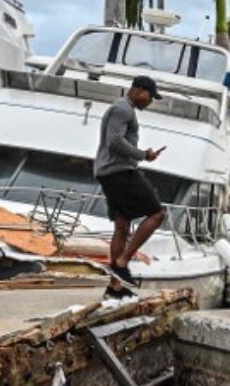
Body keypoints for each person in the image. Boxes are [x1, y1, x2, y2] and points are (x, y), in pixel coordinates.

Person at [94, 75, 167, 297]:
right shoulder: (124, 109)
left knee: (122, 225)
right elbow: (114, 142)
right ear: (139, 91)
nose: (150, 102)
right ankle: (122, 262)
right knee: (157, 213)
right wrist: (143, 155)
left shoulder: (121, 108)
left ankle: (114, 288)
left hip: (108, 172)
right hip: (120, 172)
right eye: (150, 96)